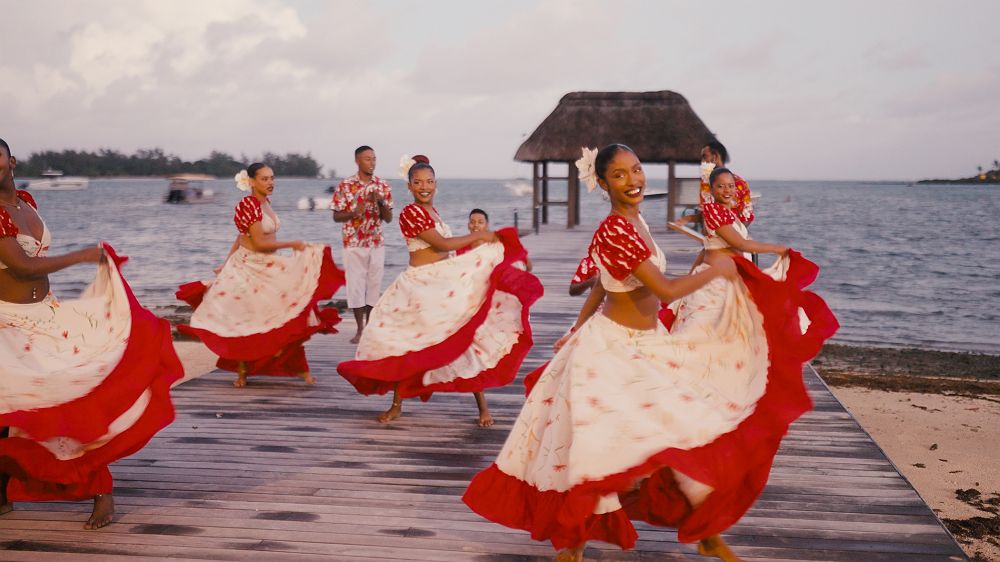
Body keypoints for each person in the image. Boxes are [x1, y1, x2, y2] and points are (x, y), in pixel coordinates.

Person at [463, 144, 838, 562]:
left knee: (679, 427)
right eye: (619, 175)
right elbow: (666, 290)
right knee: (602, 442)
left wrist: (576, 326)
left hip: (647, 341)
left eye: (637, 170)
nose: (633, 180)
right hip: (612, 349)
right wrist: (717, 269)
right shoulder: (615, 230)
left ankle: (704, 528)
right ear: (602, 183)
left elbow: (603, 281)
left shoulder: (636, 220)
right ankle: (575, 544)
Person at [0, 137, 183, 529]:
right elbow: (23, 268)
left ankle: (101, 491)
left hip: (46, 314)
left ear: (11, 161)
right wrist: (83, 255)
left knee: (72, 397)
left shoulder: (27, 202)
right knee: (18, 408)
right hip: (7, 323)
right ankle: (4, 491)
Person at [337, 155, 543, 427]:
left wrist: (484, 255)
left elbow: (449, 251)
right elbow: (442, 244)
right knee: (407, 344)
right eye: (418, 182)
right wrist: (481, 235)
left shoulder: (433, 212)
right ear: (409, 186)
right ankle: (396, 405)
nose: (424, 187)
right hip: (419, 287)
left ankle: (482, 407)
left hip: (441, 283)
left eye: (429, 181)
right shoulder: (410, 213)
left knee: (466, 335)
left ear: (436, 184)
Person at [177, 163, 344, 388]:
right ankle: (243, 371)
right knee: (247, 318)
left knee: (287, 312)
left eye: (272, 178)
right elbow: (257, 243)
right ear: (252, 182)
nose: (270, 182)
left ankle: (294, 365)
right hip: (249, 266)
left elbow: (241, 236)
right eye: (264, 179)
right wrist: (292, 244)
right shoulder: (248, 204)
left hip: (266, 263)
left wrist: (225, 261)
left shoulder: (266, 203)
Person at [331, 146, 393, 344]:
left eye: (374, 158)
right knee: (355, 286)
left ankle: (370, 327)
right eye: (367, 159)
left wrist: (381, 203)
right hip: (353, 242)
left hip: (376, 242)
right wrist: (353, 213)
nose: (372, 162)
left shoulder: (382, 185)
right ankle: (359, 329)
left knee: (374, 285)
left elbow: (388, 218)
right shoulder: (346, 185)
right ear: (357, 161)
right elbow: (336, 216)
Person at [462, 208, 533, 271]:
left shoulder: (499, 243)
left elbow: (528, 266)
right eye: (472, 222)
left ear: (487, 226)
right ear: (468, 225)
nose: (476, 225)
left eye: (480, 222)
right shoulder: (462, 248)